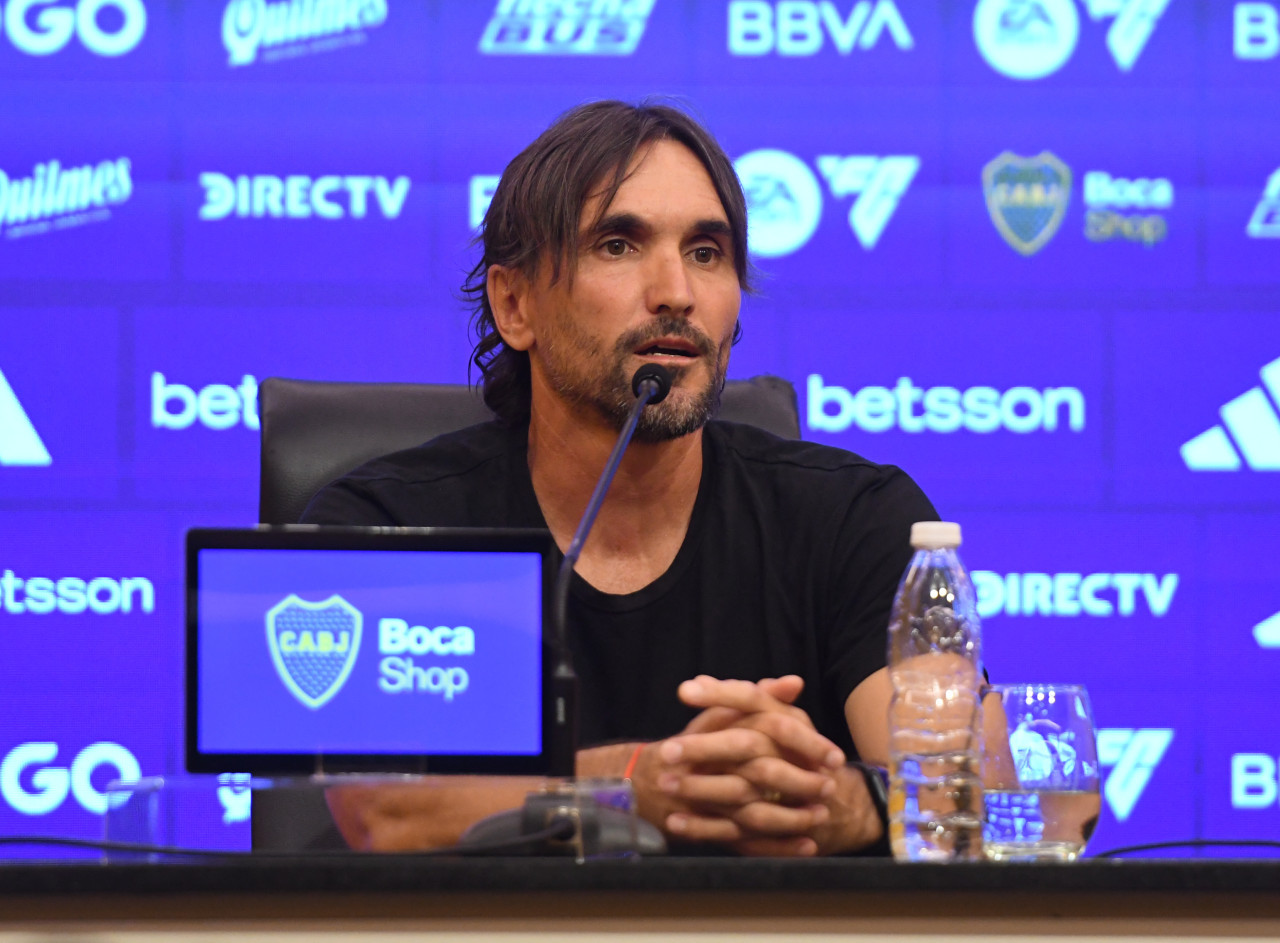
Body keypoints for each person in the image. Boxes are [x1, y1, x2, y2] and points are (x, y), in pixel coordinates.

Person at [302, 100, 938, 856]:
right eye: (618, 244)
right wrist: (634, 784)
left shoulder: (854, 520)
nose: (676, 291)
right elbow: (385, 812)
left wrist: (851, 805)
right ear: (514, 304)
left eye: (706, 251)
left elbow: (975, 789)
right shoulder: (392, 527)